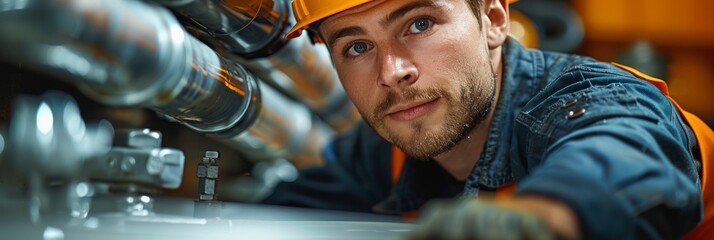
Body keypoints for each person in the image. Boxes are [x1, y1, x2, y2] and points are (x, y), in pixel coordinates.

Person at [261, 0, 714, 239]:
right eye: (356, 47)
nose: (392, 72)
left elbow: (624, 153)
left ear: (494, 19)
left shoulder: (591, 98)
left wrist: (543, 220)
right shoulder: (384, 153)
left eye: (419, 24)